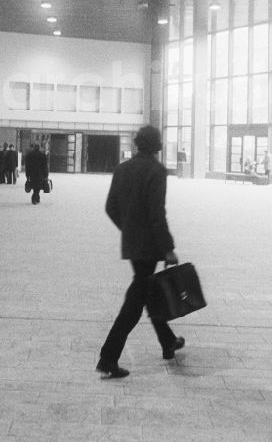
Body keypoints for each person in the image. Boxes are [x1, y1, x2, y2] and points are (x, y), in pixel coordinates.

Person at [96, 125, 183, 379]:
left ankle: (167, 341)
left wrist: (129, 229)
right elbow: (157, 213)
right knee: (135, 302)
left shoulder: (122, 169)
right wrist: (168, 248)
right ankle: (108, 357)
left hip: (133, 244)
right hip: (150, 247)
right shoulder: (156, 171)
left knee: (147, 291)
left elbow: (111, 206)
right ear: (157, 145)